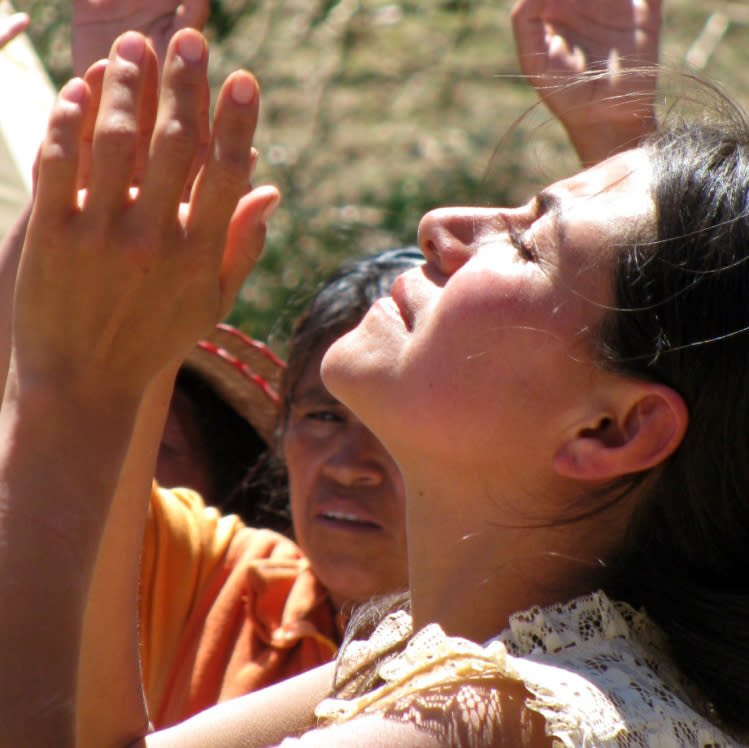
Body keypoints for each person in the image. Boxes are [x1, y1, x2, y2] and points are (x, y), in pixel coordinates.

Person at [4, 16, 749, 748]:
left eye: (524, 244)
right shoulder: (455, 666)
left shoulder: (487, 713)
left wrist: (67, 392)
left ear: (609, 431)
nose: (439, 225)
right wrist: (135, 357)